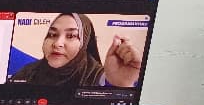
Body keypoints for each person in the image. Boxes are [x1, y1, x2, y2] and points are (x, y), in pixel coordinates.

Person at [10, 12, 142, 88]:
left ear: (84, 43)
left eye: (71, 36)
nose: (57, 43)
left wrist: (120, 84)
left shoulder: (99, 77)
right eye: (52, 34)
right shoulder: (28, 72)